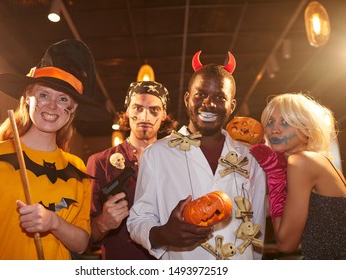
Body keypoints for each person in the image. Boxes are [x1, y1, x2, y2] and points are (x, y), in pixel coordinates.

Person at [0, 39, 106, 259]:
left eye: (63, 99)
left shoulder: (76, 167)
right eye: (44, 95)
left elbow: (82, 242)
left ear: (72, 110)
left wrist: (54, 222)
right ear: (27, 97)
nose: (52, 106)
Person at [127, 51, 267, 260]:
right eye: (200, 94)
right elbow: (138, 220)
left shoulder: (250, 158)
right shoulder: (157, 154)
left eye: (219, 97)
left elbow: (257, 225)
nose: (208, 103)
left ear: (232, 106)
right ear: (187, 99)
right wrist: (163, 234)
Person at [250, 92, 346, 260]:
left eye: (285, 122)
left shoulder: (301, 162)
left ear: (306, 130)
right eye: (270, 122)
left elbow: (286, 244)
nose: (274, 129)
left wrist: (275, 176)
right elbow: (255, 210)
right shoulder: (310, 161)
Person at [86, 80, 175, 259]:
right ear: (127, 110)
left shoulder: (175, 161)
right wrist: (103, 223)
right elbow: (86, 237)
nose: (144, 117)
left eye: (154, 110)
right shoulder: (100, 162)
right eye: (138, 108)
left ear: (164, 114)